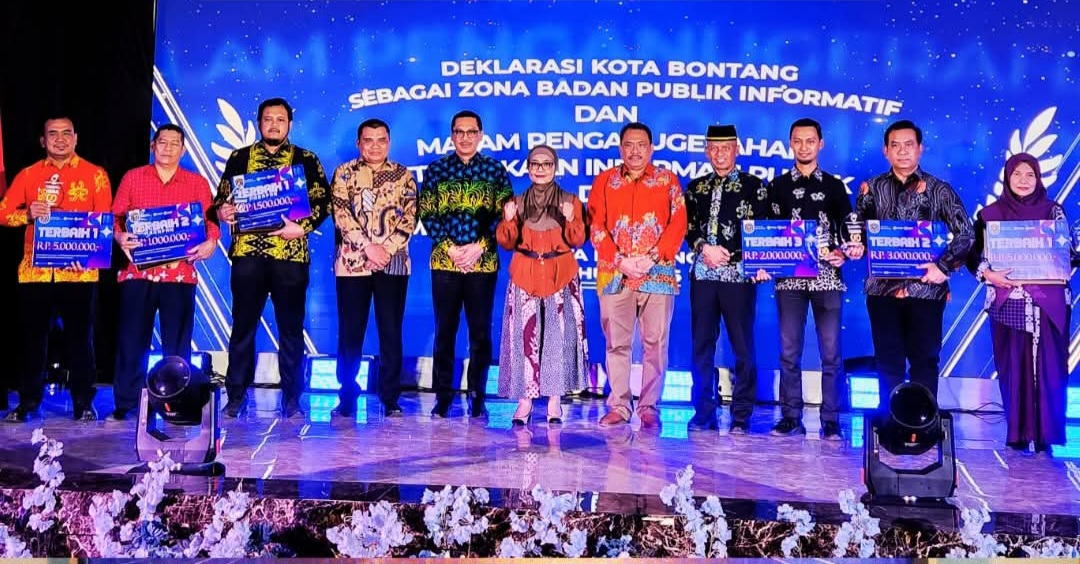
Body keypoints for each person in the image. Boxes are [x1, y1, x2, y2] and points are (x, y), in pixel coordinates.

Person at [211, 97, 331, 419]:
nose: (274, 125)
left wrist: (302, 227)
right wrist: (222, 210)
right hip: (248, 256)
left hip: (290, 257)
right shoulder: (240, 158)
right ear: (259, 123)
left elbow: (324, 201)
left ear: (289, 124)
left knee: (291, 330)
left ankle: (292, 399)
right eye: (268, 119)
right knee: (243, 328)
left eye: (280, 119)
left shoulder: (306, 159)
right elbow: (221, 198)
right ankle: (236, 396)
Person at [847, 119, 973, 404]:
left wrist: (943, 267)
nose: (902, 151)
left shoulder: (939, 190)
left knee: (924, 361)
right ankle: (891, 421)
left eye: (908, 145)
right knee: (887, 361)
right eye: (895, 145)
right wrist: (855, 248)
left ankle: (923, 421)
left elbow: (966, 235)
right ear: (885, 150)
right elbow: (860, 234)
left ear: (920, 149)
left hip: (926, 290)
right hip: (881, 291)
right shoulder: (871, 189)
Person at [0, 115, 112, 422]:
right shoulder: (28, 174)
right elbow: (3, 213)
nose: (60, 139)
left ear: (76, 138)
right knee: (32, 340)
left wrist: (86, 255)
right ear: (43, 140)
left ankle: (83, 403)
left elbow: (104, 221)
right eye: (53, 134)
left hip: (78, 271)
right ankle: (28, 403)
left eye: (66, 133)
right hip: (35, 271)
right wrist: (26, 214)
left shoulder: (95, 175)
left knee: (81, 340)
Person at [109, 124, 220, 421]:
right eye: (162, 142)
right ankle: (127, 404)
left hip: (179, 274)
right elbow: (115, 217)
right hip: (137, 272)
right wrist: (119, 236)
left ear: (183, 150)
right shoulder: (133, 177)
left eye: (174, 144)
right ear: (152, 145)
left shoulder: (196, 182)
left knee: (178, 345)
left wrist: (211, 242)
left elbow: (211, 222)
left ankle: (177, 403)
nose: (168, 148)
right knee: (131, 341)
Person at [966, 153, 1073, 452]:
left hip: (1049, 303)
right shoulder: (989, 215)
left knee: (1051, 369)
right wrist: (989, 274)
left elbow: (1068, 253)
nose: (1024, 180)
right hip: (1008, 302)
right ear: (1007, 177)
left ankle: (1046, 435)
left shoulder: (1053, 212)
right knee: (1013, 366)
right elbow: (971, 255)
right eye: (1017, 174)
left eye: (1030, 175)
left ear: (1038, 178)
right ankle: (1017, 432)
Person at [588, 122, 687, 428]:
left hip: (657, 274)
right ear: (621, 149)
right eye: (629, 145)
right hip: (615, 274)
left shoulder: (667, 181)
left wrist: (652, 257)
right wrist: (620, 261)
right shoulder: (605, 181)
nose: (635, 151)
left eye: (641, 145)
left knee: (655, 343)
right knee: (616, 344)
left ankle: (649, 407)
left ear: (651, 148)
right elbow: (596, 226)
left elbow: (678, 224)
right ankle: (619, 406)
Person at [759, 118, 851, 440]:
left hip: (827, 277)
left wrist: (843, 252)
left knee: (831, 353)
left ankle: (831, 420)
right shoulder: (777, 187)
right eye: (797, 141)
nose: (804, 147)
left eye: (810, 141)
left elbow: (848, 230)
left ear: (820, 144)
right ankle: (790, 417)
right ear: (790, 144)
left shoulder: (835, 187)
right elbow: (768, 232)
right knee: (789, 351)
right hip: (790, 279)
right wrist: (763, 261)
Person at [418, 110, 513, 418]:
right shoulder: (437, 169)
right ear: (452, 136)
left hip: (482, 264)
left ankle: (477, 395)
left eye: (471, 132)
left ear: (480, 135)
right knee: (445, 331)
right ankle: (443, 396)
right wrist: (451, 249)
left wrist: (478, 247)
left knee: (480, 333)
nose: (465, 137)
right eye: (459, 132)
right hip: (445, 262)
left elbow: (504, 216)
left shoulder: (494, 170)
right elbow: (427, 213)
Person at [683, 124, 768, 434]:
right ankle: (703, 411)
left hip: (739, 276)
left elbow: (764, 228)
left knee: (743, 347)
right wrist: (703, 247)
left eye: (726, 148)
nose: (720, 154)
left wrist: (753, 261)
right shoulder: (695, 188)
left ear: (737, 150)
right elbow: (688, 228)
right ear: (707, 151)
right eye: (714, 148)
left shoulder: (755, 186)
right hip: (703, 275)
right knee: (701, 345)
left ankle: (742, 414)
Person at [329, 118, 417, 418]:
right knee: (350, 332)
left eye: (381, 140)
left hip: (393, 264)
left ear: (389, 142)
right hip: (352, 263)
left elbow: (409, 218)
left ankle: (390, 397)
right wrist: (368, 247)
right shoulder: (344, 173)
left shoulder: (403, 175)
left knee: (391, 331)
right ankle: (347, 394)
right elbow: (341, 215)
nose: (375, 146)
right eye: (368, 140)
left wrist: (385, 250)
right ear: (359, 143)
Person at [495, 144, 589, 425]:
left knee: (557, 339)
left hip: (560, 276)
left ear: (555, 168)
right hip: (525, 276)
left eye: (546, 164)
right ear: (528, 168)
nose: (540, 169)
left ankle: (554, 399)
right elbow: (507, 242)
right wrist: (508, 220)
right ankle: (525, 400)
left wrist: (571, 218)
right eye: (535, 164)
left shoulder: (570, 201)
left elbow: (577, 240)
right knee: (525, 339)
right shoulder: (517, 202)